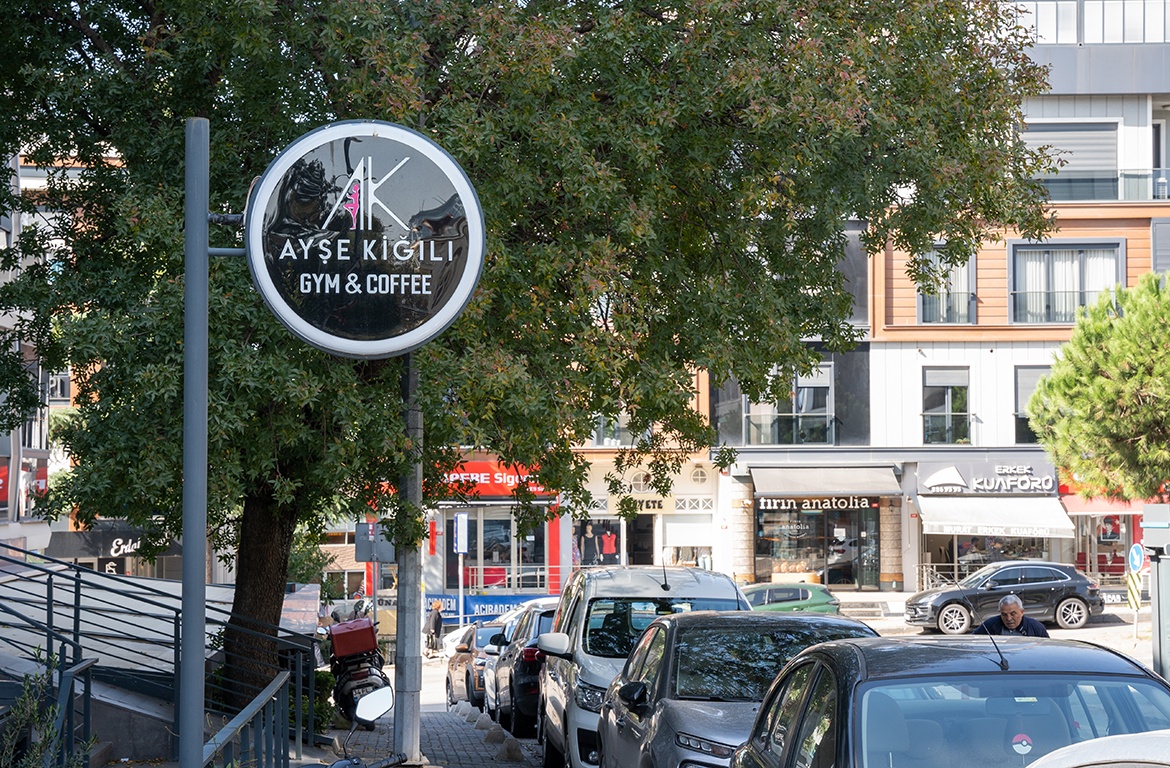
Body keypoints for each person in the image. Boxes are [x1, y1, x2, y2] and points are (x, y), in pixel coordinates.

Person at [973, 594, 1049, 637]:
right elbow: (973, 639)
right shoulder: (990, 625)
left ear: (1022, 612)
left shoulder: (1037, 628)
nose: (1009, 618)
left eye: (1013, 614)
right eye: (1004, 615)